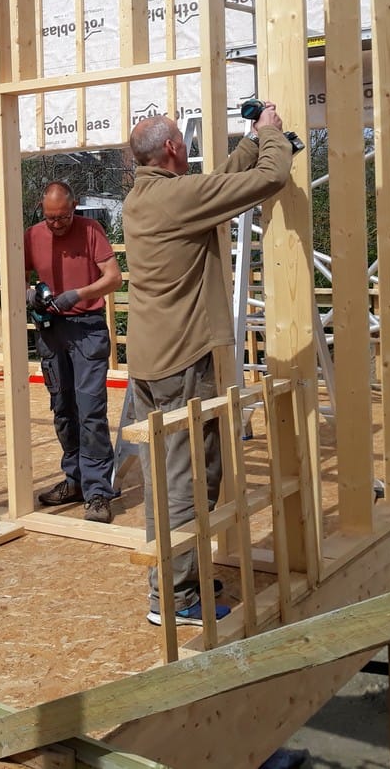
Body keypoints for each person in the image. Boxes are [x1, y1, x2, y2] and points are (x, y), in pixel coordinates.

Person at [122, 108, 292, 625]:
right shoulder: (178, 198)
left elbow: (214, 186)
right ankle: (175, 599)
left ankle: (179, 577)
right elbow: (271, 177)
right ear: (173, 148)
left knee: (164, 479)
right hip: (181, 362)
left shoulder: (146, 197)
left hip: (150, 361)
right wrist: (272, 135)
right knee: (189, 480)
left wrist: (251, 141)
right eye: (182, 139)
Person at [25, 181, 123, 523]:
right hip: (51, 331)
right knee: (63, 408)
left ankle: (98, 492)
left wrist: (77, 295)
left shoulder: (91, 230)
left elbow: (114, 278)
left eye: (63, 217)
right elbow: (17, 276)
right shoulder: (32, 236)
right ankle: (75, 480)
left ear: (74, 206)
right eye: (50, 218)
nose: (56, 224)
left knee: (90, 410)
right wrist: (30, 296)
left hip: (86, 329)